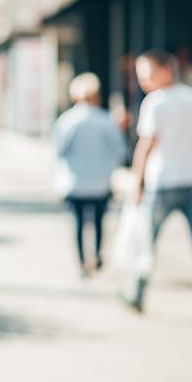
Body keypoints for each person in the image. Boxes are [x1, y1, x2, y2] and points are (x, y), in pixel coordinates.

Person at [125, 50, 192, 313]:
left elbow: (146, 146)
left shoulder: (155, 103)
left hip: (161, 183)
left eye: (148, 75)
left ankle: (136, 293)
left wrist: (137, 182)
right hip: (191, 181)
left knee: (147, 241)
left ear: (166, 70)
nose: (144, 82)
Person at [52, 72, 127, 277]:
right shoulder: (106, 120)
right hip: (101, 182)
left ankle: (82, 264)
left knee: (78, 224)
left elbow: (58, 150)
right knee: (99, 221)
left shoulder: (66, 121)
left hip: (74, 181)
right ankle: (97, 256)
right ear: (97, 95)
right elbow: (120, 151)